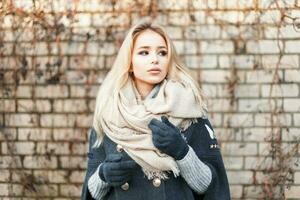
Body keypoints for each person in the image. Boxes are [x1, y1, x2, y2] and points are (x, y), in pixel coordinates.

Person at [81, 17, 231, 200]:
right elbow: (92, 191)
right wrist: (103, 175)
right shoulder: (109, 112)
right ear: (129, 62)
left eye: (162, 53)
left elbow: (210, 186)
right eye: (144, 53)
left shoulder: (190, 109)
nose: (155, 60)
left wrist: (182, 152)